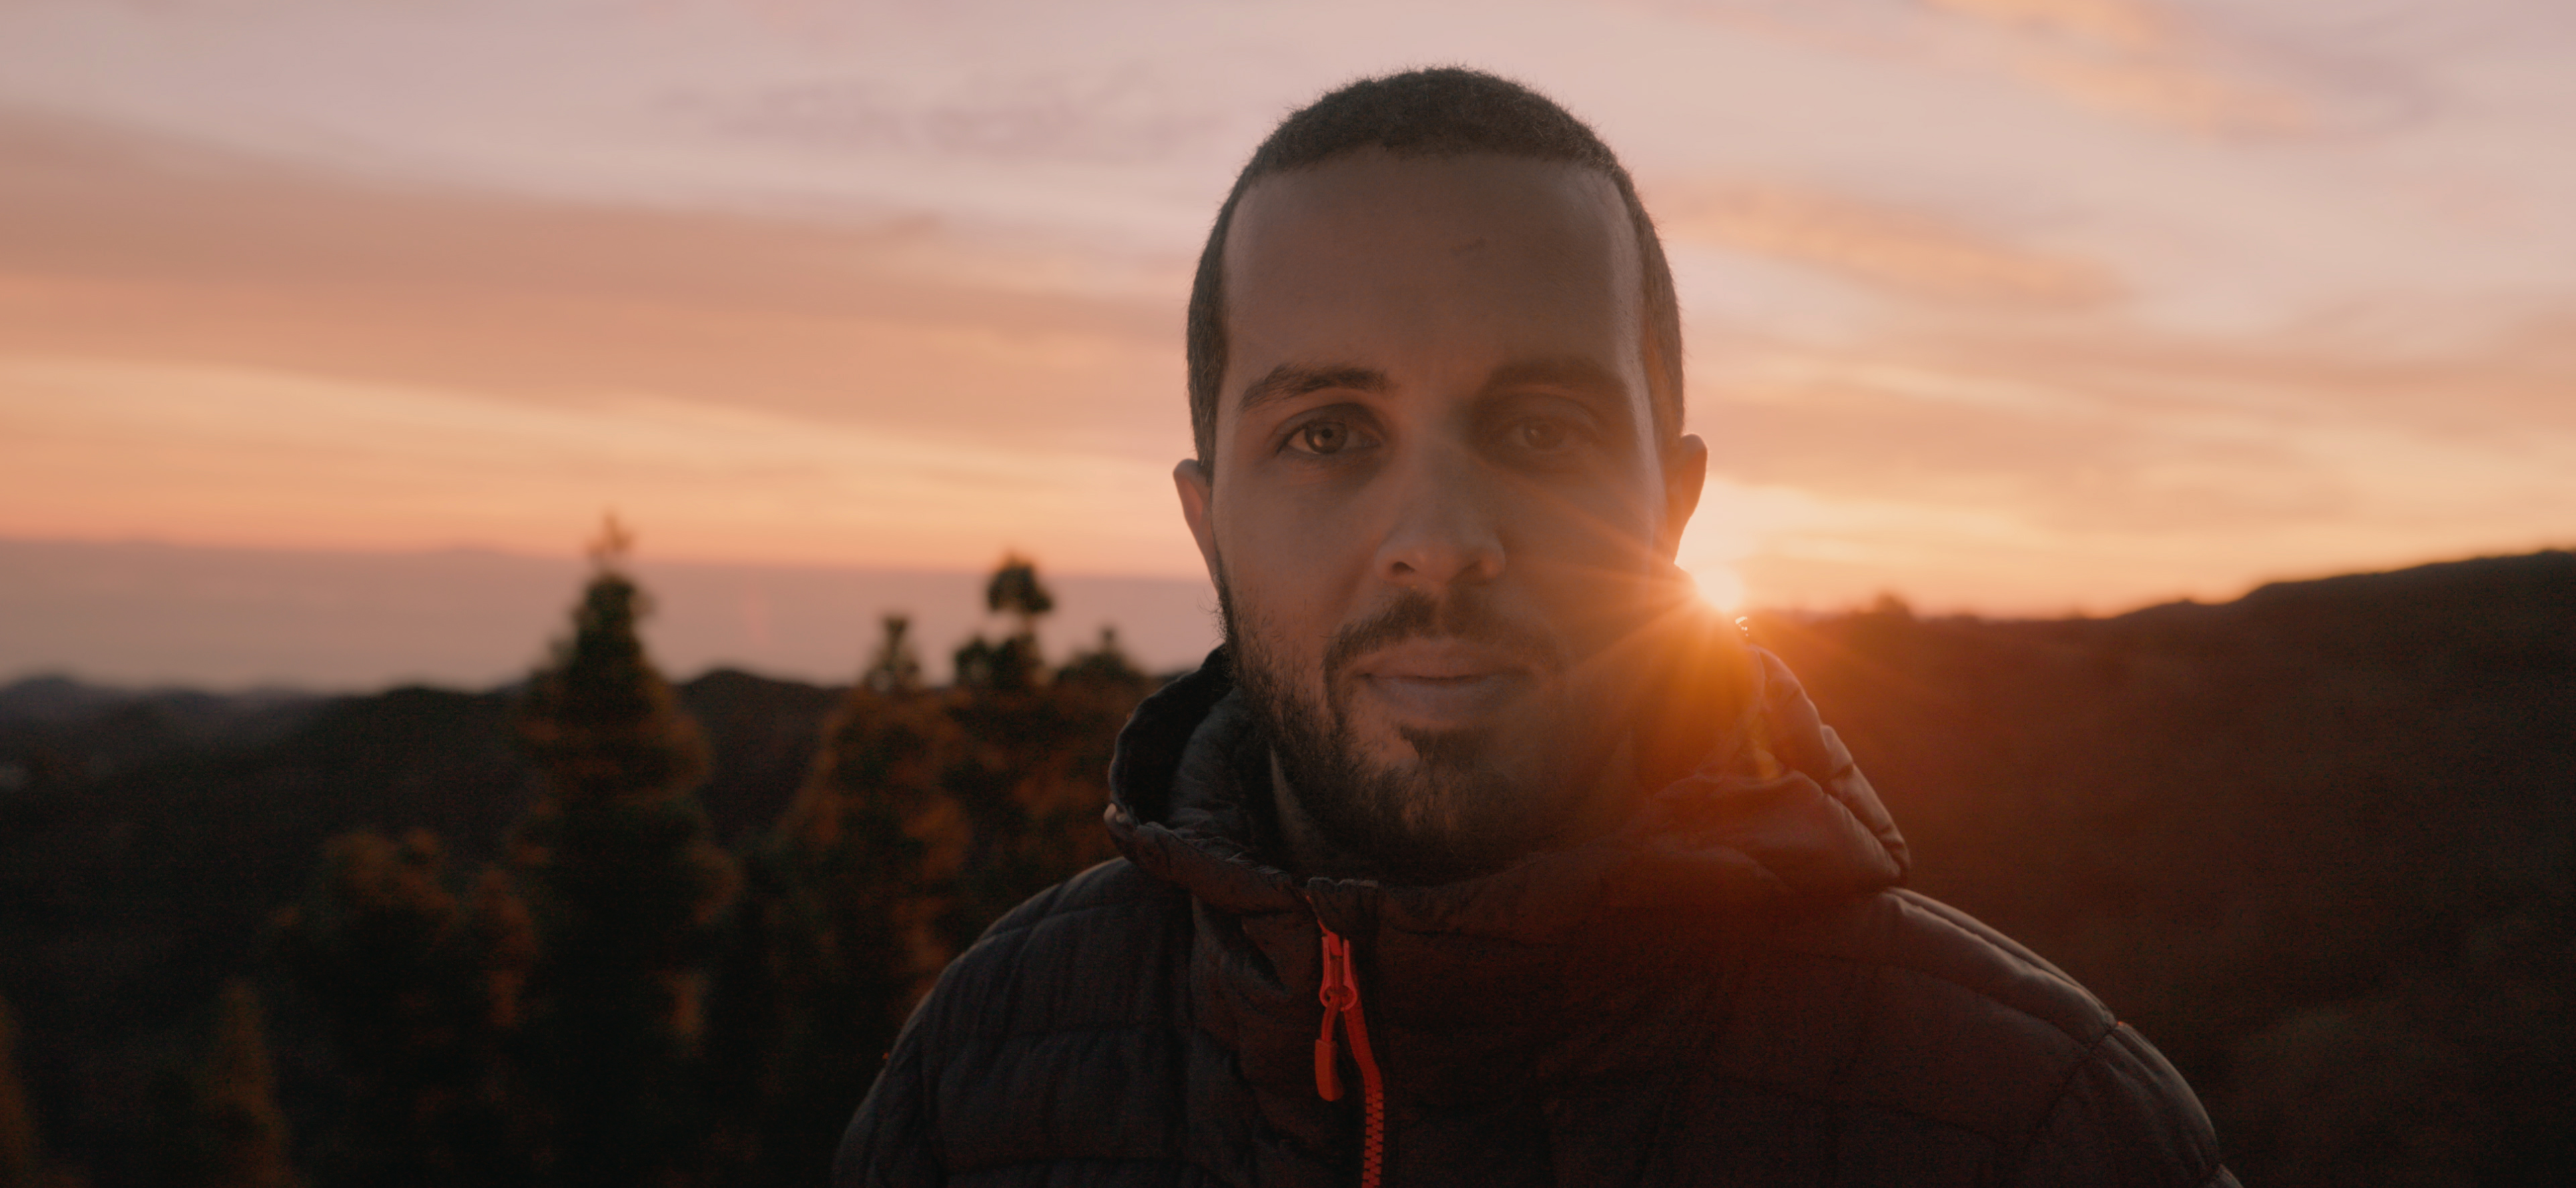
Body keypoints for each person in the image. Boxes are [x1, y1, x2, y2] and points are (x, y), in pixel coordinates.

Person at [837, 68, 2235, 1187]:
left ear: (1671, 506)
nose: (1441, 534)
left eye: (1538, 427)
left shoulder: (2029, 1128)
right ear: (1208, 523)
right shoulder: (984, 1075)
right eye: (1326, 431)